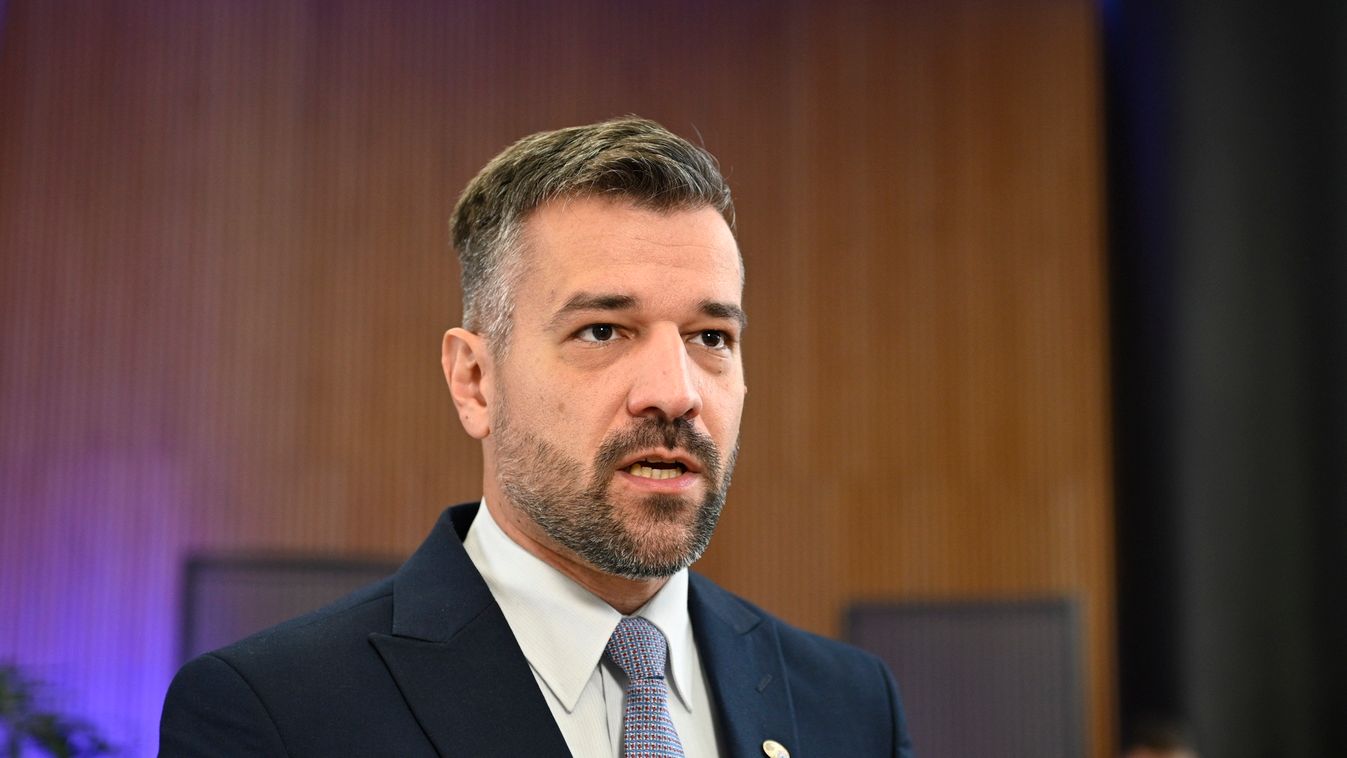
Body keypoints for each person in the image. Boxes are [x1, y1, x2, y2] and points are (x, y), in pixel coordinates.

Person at [160, 117, 913, 757]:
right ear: (474, 381)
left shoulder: (851, 707)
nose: (676, 392)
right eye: (602, 330)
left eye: (710, 337)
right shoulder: (274, 713)